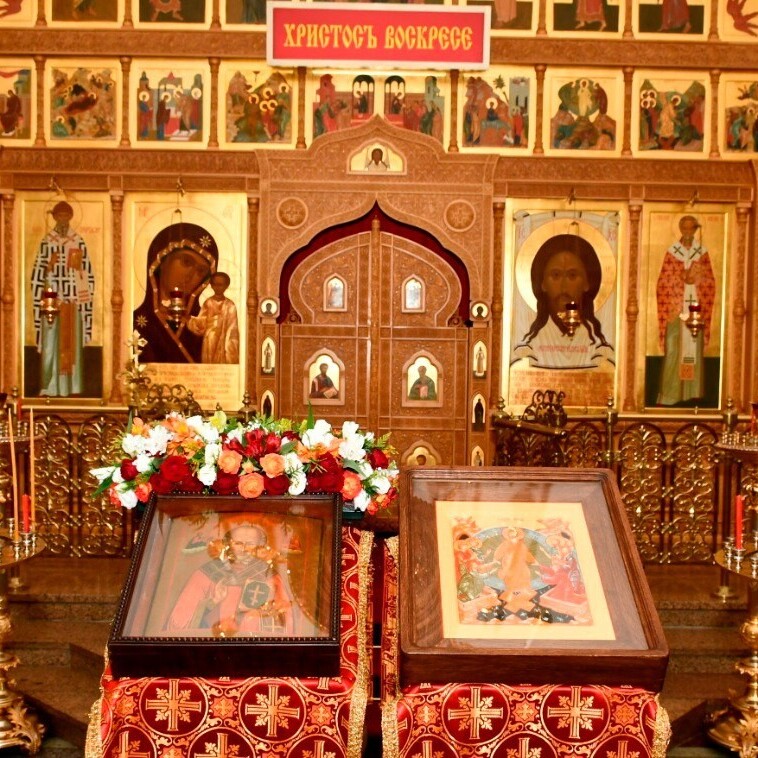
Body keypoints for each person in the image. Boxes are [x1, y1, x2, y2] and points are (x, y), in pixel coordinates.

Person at [166, 523, 294, 636]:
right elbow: (178, 624)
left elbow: (285, 623)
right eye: (238, 543)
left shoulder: (269, 576)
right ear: (228, 545)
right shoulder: (207, 573)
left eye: (250, 544)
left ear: (260, 547)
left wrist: (261, 610)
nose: (244, 549)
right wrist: (212, 603)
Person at [512, 233, 614, 369]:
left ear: (587, 283)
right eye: (555, 275)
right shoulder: (528, 349)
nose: (563, 287)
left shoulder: (600, 350)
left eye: (572, 276)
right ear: (543, 283)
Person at [31, 201, 95, 397]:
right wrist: (49, 266)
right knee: (51, 344)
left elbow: (88, 273)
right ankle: (49, 386)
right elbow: (37, 274)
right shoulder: (47, 241)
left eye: (66, 216)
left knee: (72, 345)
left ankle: (72, 387)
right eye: (60, 216)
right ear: (54, 218)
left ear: (71, 218)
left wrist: (78, 271)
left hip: (72, 302)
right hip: (52, 303)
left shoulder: (78, 241)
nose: (63, 220)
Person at [132, 222, 218, 363]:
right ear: (162, 260)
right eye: (186, 262)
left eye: (201, 271)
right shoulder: (135, 323)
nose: (191, 275)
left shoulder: (203, 327)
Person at [655, 215, 716, 406]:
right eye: (686, 228)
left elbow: (711, 283)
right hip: (676, 312)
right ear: (681, 230)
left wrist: (698, 279)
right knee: (673, 350)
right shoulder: (672, 252)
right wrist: (681, 278)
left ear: (696, 230)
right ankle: (670, 394)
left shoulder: (702, 252)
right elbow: (662, 283)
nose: (689, 232)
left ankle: (692, 394)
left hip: (695, 312)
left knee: (693, 353)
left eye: (692, 229)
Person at [187, 271, 240, 364]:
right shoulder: (208, 303)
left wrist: (230, 347)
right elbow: (201, 322)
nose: (217, 287)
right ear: (211, 285)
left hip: (225, 340)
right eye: (215, 284)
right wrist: (190, 320)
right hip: (210, 339)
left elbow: (233, 328)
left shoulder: (230, 305)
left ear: (226, 286)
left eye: (220, 285)